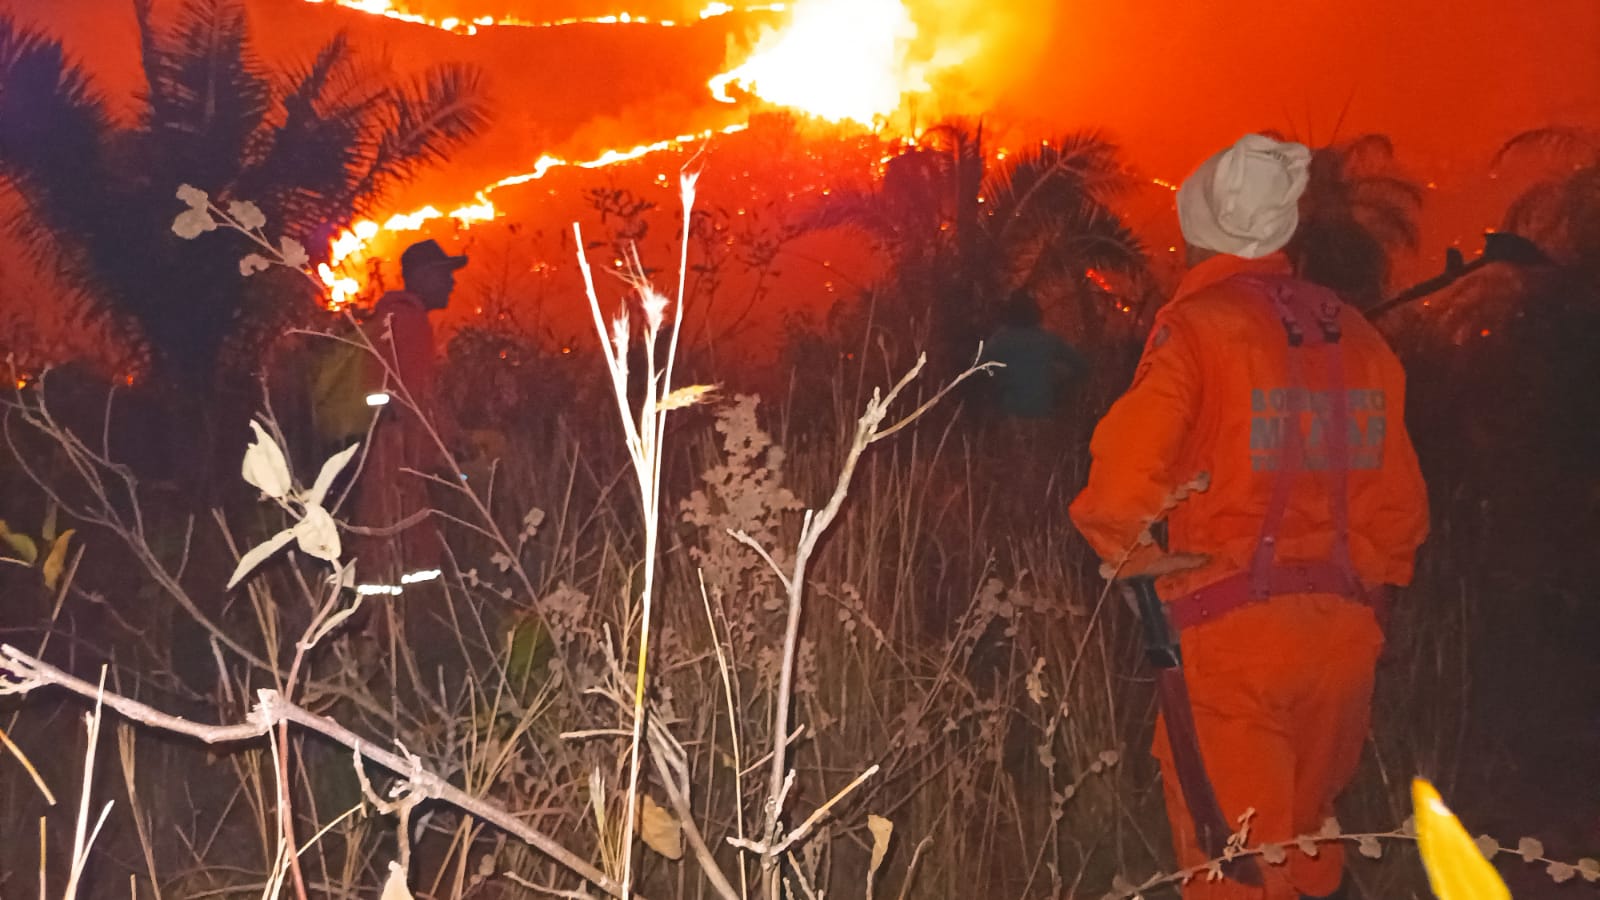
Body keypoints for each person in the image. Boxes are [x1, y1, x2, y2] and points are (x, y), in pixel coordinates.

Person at [1069, 134, 1429, 900]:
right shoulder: (1357, 336)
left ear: (1202, 228)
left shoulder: (1198, 329)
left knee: (1234, 873)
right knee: (1302, 853)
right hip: (1343, 643)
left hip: (1231, 642)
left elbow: (1121, 487)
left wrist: (1135, 554)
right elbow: (1399, 512)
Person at [354, 238, 467, 588]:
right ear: (422, 276)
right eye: (443, 274)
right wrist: (450, 445)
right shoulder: (407, 321)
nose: (452, 282)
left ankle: (401, 621)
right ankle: (387, 628)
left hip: (396, 450)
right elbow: (415, 398)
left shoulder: (392, 316)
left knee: (395, 539)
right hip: (397, 452)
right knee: (390, 539)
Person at [981, 289, 1088, 421]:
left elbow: (975, 366)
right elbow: (1081, 366)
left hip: (1009, 414)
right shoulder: (1048, 339)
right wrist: (1057, 379)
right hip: (1044, 412)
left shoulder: (1000, 339)